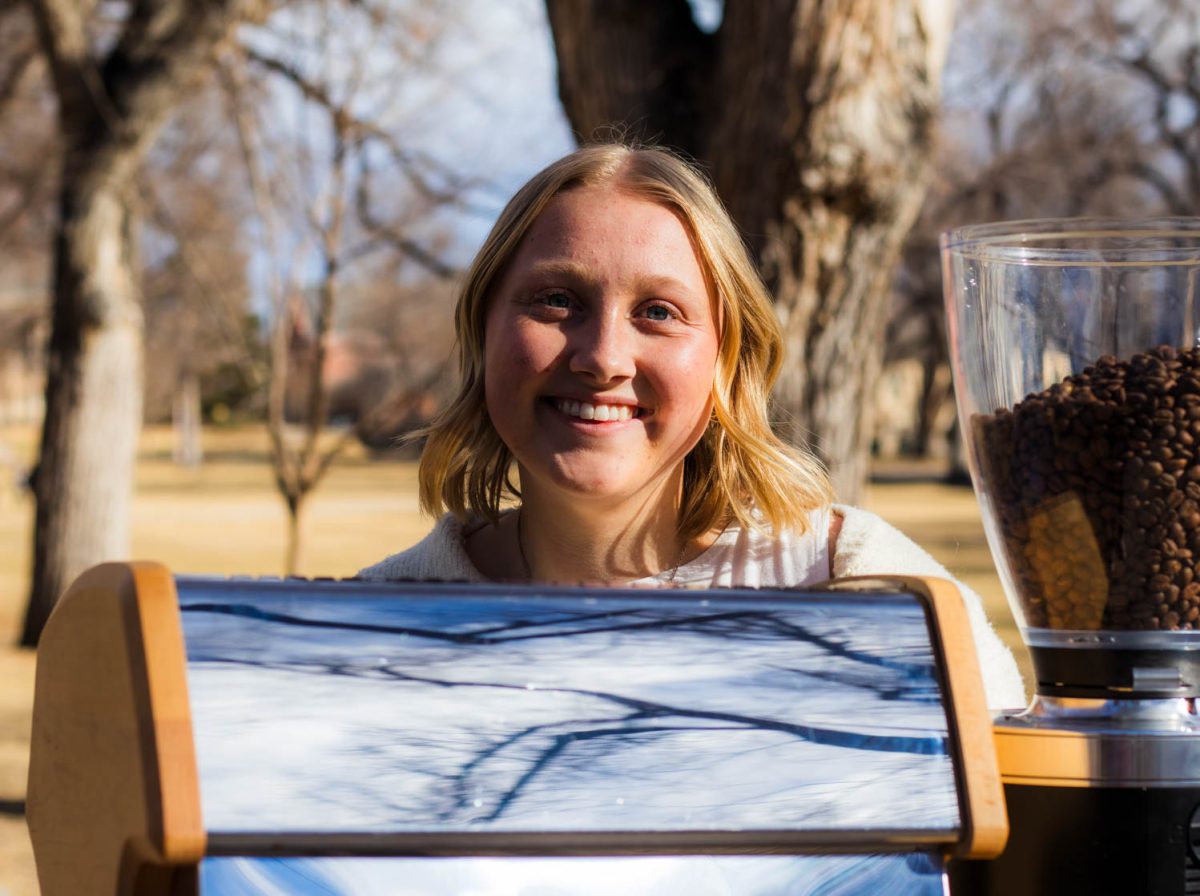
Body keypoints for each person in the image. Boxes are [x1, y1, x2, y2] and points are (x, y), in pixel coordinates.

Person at [358, 143, 1025, 711]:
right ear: (484, 331)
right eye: (557, 300)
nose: (603, 359)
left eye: (658, 312)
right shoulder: (366, 626)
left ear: (726, 359)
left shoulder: (861, 583)